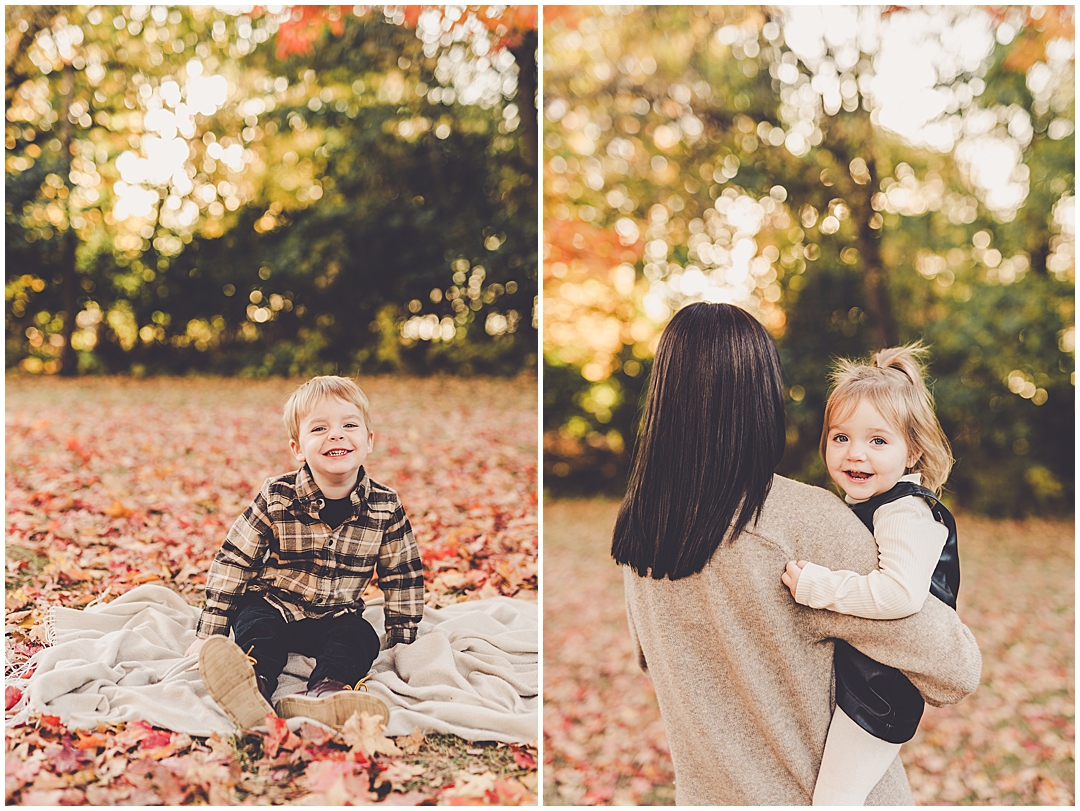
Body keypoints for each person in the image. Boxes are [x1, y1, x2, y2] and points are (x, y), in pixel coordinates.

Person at [611, 302, 980, 805]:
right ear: (763, 398)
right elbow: (955, 667)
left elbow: (652, 660)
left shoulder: (642, 531)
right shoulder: (803, 521)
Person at [184, 375, 425, 730]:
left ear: (369, 441)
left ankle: (329, 692)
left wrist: (403, 641)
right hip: (275, 605)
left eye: (349, 425)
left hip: (336, 615)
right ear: (298, 448)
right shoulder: (277, 495)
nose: (336, 435)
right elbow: (236, 558)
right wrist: (210, 631)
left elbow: (402, 573)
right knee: (255, 627)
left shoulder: (385, 506)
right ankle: (253, 687)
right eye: (320, 428)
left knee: (359, 638)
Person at [781, 345, 960, 805]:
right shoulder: (869, 503)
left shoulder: (906, 511)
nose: (855, 454)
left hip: (880, 693)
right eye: (840, 438)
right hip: (861, 677)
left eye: (878, 441)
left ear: (913, 449)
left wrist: (819, 587)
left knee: (833, 802)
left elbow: (901, 595)